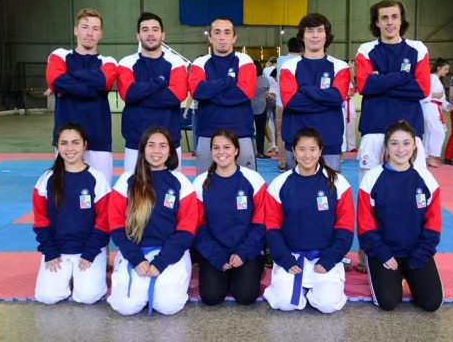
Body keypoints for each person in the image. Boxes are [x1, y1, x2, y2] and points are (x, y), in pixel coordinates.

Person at [107, 126, 198, 316]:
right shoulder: (127, 181)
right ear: (142, 149)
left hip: (170, 253)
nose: (156, 151)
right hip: (135, 251)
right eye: (151, 145)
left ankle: (159, 286)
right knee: (126, 307)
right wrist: (136, 258)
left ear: (170, 151)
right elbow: (116, 225)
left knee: (167, 306)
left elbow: (186, 230)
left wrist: (161, 262)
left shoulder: (181, 182)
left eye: (163, 146)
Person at [263, 128, 355, 313]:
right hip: (292, 257)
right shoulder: (280, 184)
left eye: (312, 149)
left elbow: (345, 226)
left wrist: (330, 258)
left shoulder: (337, 182)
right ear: (294, 151)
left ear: (320, 151)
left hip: (324, 257)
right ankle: (295, 289)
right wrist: (285, 259)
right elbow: (272, 227)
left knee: (327, 305)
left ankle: (317, 291)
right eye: (302, 149)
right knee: (286, 303)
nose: (307, 155)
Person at [357, 120, 443, 312]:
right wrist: (382, 253)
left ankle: (407, 273)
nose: (401, 149)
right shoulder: (372, 178)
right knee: (388, 302)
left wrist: (421, 255)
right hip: (385, 252)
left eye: (406, 143)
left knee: (431, 302)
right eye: (394, 143)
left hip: (416, 251)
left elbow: (434, 223)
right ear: (387, 147)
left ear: (414, 146)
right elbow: (365, 224)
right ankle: (390, 274)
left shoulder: (426, 179)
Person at [32, 122, 110, 305]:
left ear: (84, 145)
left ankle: (83, 275)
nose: (70, 149)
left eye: (75, 142)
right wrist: (50, 251)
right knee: (47, 297)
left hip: (88, 250)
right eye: (64, 143)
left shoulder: (97, 179)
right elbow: (40, 220)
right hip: (58, 250)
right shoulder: (46, 179)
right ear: (57, 146)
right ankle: (67, 275)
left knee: (88, 297)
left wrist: (90, 252)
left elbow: (104, 221)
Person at [355, 0, 431, 183]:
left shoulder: (418, 48)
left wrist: (380, 81)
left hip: (409, 126)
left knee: (414, 184)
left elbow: (422, 89)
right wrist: (403, 77)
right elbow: (364, 86)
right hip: (374, 126)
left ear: (401, 20)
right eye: (384, 18)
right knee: (369, 183)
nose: (390, 22)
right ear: (377, 22)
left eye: (394, 17)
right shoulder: (366, 50)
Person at [192, 129, 267, 305]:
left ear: (236, 150)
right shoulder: (200, 182)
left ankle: (253, 268)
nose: (221, 152)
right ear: (211, 151)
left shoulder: (254, 179)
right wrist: (214, 255)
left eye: (227, 147)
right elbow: (198, 226)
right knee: (211, 297)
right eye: (216, 147)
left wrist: (244, 253)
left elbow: (261, 223)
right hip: (214, 250)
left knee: (245, 295)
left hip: (246, 249)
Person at [45, 8, 117, 185]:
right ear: (76, 30)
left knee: (101, 193)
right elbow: (56, 79)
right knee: (65, 192)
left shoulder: (109, 61)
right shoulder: (59, 55)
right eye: (85, 27)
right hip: (66, 141)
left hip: (99, 139)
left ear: (100, 34)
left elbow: (103, 81)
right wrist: (93, 90)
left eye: (95, 28)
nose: (89, 33)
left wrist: (68, 80)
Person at [117, 12, 188, 172]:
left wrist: (139, 95)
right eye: (145, 29)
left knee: (171, 188)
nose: (150, 34)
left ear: (163, 35)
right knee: (134, 187)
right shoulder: (127, 62)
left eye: (155, 29)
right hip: (136, 142)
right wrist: (159, 85)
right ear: (138, 35)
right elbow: (127, 94)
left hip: (169, 141)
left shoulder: (176, 62)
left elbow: (176, 96)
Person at [280, 13, 350, 171]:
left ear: (327, 36)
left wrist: (305, 89)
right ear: (302, 36)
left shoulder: (340, 66)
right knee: (295, 186)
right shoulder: (289, 66)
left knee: (330, 185)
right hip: (296, 140)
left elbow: (337, 97)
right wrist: (325, 100)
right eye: (310, 31)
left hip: (329, 140)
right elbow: (290, 101)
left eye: (320, 30)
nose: (315, 35)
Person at [189, 17, 257, 174]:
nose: (222, 37)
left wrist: (210, 92)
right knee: (205, 184)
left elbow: (245, 92)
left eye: (227, 32)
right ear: (210, 37)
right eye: (217, 32)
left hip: (240, 133)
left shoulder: (244, 60)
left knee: (246, 184)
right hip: (207, 133)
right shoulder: (200, 63)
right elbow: (197, 91)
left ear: (234, 37)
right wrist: (229, 82)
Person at [275, 38, 303, 172]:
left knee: (281, 134)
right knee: (301, 133)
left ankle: (282, 163)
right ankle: (299, 162)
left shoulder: (281, 60)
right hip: (297, 103)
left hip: (280, 102)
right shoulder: (302, 61)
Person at [421, 58, 453, 168]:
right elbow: (424, 93)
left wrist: (447, 105)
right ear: (438, 68)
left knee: (430, 133)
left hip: (435, 108)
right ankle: (431, 157)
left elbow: (441, 99)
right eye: (445, 69)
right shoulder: (430, 78)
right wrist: (435, 95)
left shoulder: (438, 80)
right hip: (429, 108)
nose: (447, 71)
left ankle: (426, 157)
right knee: (438, 132)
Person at [252, 60, 271, 159]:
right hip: (261, 107)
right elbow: (266, 94)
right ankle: (260, 152)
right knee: (260, 131)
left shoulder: (248, 79)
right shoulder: (265, 80)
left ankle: (249, 151)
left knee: (248, 131)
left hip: (248, 107)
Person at [343, 60, 358, 152]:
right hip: (340, 104)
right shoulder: (337, 79)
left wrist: (351, 68)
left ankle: (352, 147)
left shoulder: (350, 81)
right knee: (341, 128)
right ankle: (342, 147)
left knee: (351, 127)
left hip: (348, 104)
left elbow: (352, 92)